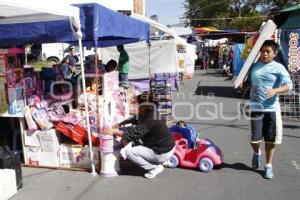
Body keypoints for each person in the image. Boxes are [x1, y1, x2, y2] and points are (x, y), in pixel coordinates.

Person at [247, 40, 293, 179]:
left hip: (272, 109)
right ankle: (256, 153)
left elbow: (289, 85)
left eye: (268, 52)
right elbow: (248, 82)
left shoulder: (279, 68)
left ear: (274, 53)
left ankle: (268, 166)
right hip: (255, 107)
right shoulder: (253, 66)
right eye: (263, 51)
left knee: (270, 140)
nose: (264, 54)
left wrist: (276, 90)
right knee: (254, 140)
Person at [101, 92, 175, 179]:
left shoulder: (149, 120)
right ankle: (160, 160)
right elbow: (135, 119)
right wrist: (120, 124)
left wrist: (113, 131)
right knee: (134, 141)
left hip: (161, 152)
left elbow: (130, 135)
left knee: (129, 152)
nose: (135, 106)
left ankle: (154, 168)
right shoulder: (152, 111)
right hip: (168, 147)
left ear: (143, 107)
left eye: (137, 104)